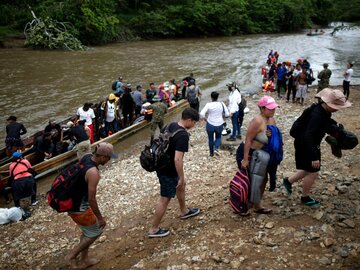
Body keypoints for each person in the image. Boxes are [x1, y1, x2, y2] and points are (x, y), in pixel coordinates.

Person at [283, 88, 351, 206]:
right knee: (313, 171)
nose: (337, 109)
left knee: (307, 168)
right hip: (305, 143)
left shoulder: (323, 110)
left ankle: (288, 181)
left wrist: (335, 128)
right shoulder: (317, 114)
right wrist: (314, 156)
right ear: (328, 103)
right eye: (336, 106)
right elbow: (308, 135)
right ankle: (305, 197)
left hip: (308, 142)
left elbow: (325, 122)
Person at [148, 108, 200, 238]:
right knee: (165, 198)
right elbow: (178, 159)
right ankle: (153, 229)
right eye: (194, 122)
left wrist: (181, 180)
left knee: (180, 187)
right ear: (188, 120)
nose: (194, 125)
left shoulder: (171, 125)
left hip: (161, 165)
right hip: (168, 169)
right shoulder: (183, 136)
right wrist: (181, 177)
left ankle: (184, 211)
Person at [64, 142, 118, 269]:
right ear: (103, 157)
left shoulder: (87, 157)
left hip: (73, 201)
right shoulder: (94, 173)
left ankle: (84, 260)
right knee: (95, 232)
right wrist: (100, 217)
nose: (109, 160)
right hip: (78, 207)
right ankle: (71, 256)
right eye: (109, 158)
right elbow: (91, 199)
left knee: (87, 231)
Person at [236, 96, 279, 214]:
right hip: (248, 152)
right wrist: (245, 159)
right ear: (262, 108)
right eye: (270, 109)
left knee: (263, 178)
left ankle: (257, 204)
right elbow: (248, 140)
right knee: (249, 180)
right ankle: (242, 205)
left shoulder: (271, 120)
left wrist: (270, 135)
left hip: (261, 155)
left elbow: (273, 137)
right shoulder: (257, 121)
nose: (273, 111)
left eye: (274, 108)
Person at [200, 91, 229, 157]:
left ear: (211, 97)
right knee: (218, 137)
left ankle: (211, 154)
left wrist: (205, 119)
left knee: (210, 139)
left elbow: (201, 114)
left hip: (210, 124)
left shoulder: (208, 104)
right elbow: (227, 114)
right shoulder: (222, 104)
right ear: (217, 97)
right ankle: (216, 148)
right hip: (219, 124)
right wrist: (223, 118)